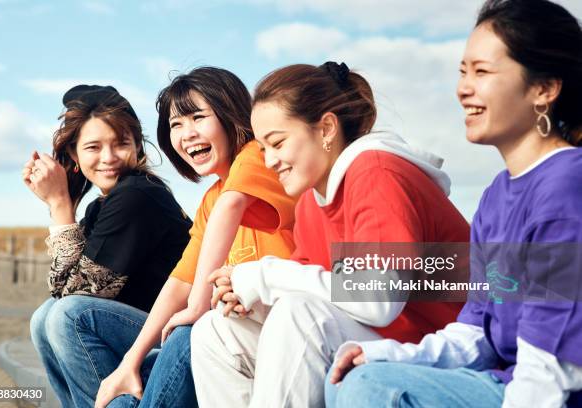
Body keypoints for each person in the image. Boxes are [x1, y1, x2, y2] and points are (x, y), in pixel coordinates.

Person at [325, 1, 582, 407]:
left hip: (547, 394)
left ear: (544, 89)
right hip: (503, 380)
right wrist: (386, 354)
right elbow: (476, 332)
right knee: (351, 374)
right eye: (463, 72)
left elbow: (551, 370)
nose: (463, 88)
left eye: (482, 72)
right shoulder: (496, 195)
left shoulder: (566, 186)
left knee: (370, 387)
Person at [191, 61, 469, 407]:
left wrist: (264, 275)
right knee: (214, 332)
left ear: (326, 129)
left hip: (442, 350)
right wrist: (251, 294)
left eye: (277, 143)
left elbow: (377, 298)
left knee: (300, 315)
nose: (270, 161)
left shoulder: (377, 172)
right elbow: (310, 283)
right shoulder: (311, 201)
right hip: (376, 340)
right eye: (263, 150)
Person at [94, 67, 297, 408]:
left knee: (191, 331)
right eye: (176, 125)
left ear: (232, 116)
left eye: (198, 117)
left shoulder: (259, 155)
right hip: (238, 333)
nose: (187, 134)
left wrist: (197, 307)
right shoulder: (212, 199)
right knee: (70, 317)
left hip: (284, 331)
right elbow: (180, 281)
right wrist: (129, 361)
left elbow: (233, 205)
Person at [24, 85, 192, 408]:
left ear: (137, 145)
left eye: (121, 143)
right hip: (143, 331)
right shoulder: (103, 205)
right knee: (43, 317)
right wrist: (65, 208)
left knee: (67, 317)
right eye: (93, 147)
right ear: (74, 154)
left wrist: (60, 204)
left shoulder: (138, 195)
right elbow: (61, 289)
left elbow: (75, 297)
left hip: (174, 338)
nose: (108, 158)